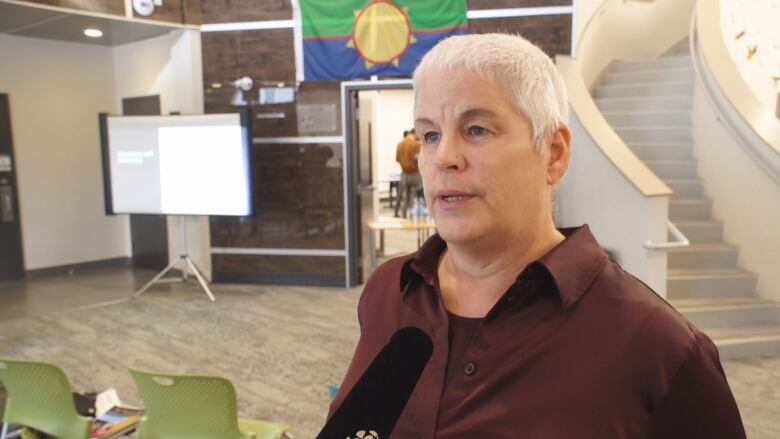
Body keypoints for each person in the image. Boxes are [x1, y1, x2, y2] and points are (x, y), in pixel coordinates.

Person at [328, 33, 746, 438]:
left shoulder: (658, 346)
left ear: (554, 153)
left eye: (476, 130)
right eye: (430, 135)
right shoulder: (388, 290)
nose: (444, 158)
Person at [394, 128, 422, 218]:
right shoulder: (416, 145)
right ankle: (412, 215)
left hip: (404, 174)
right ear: (415, 133)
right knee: (413, 196)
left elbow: (397, 159)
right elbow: (418, 159)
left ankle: (403, 214)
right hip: (415, 174)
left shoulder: (399, 144)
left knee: (406, 195)